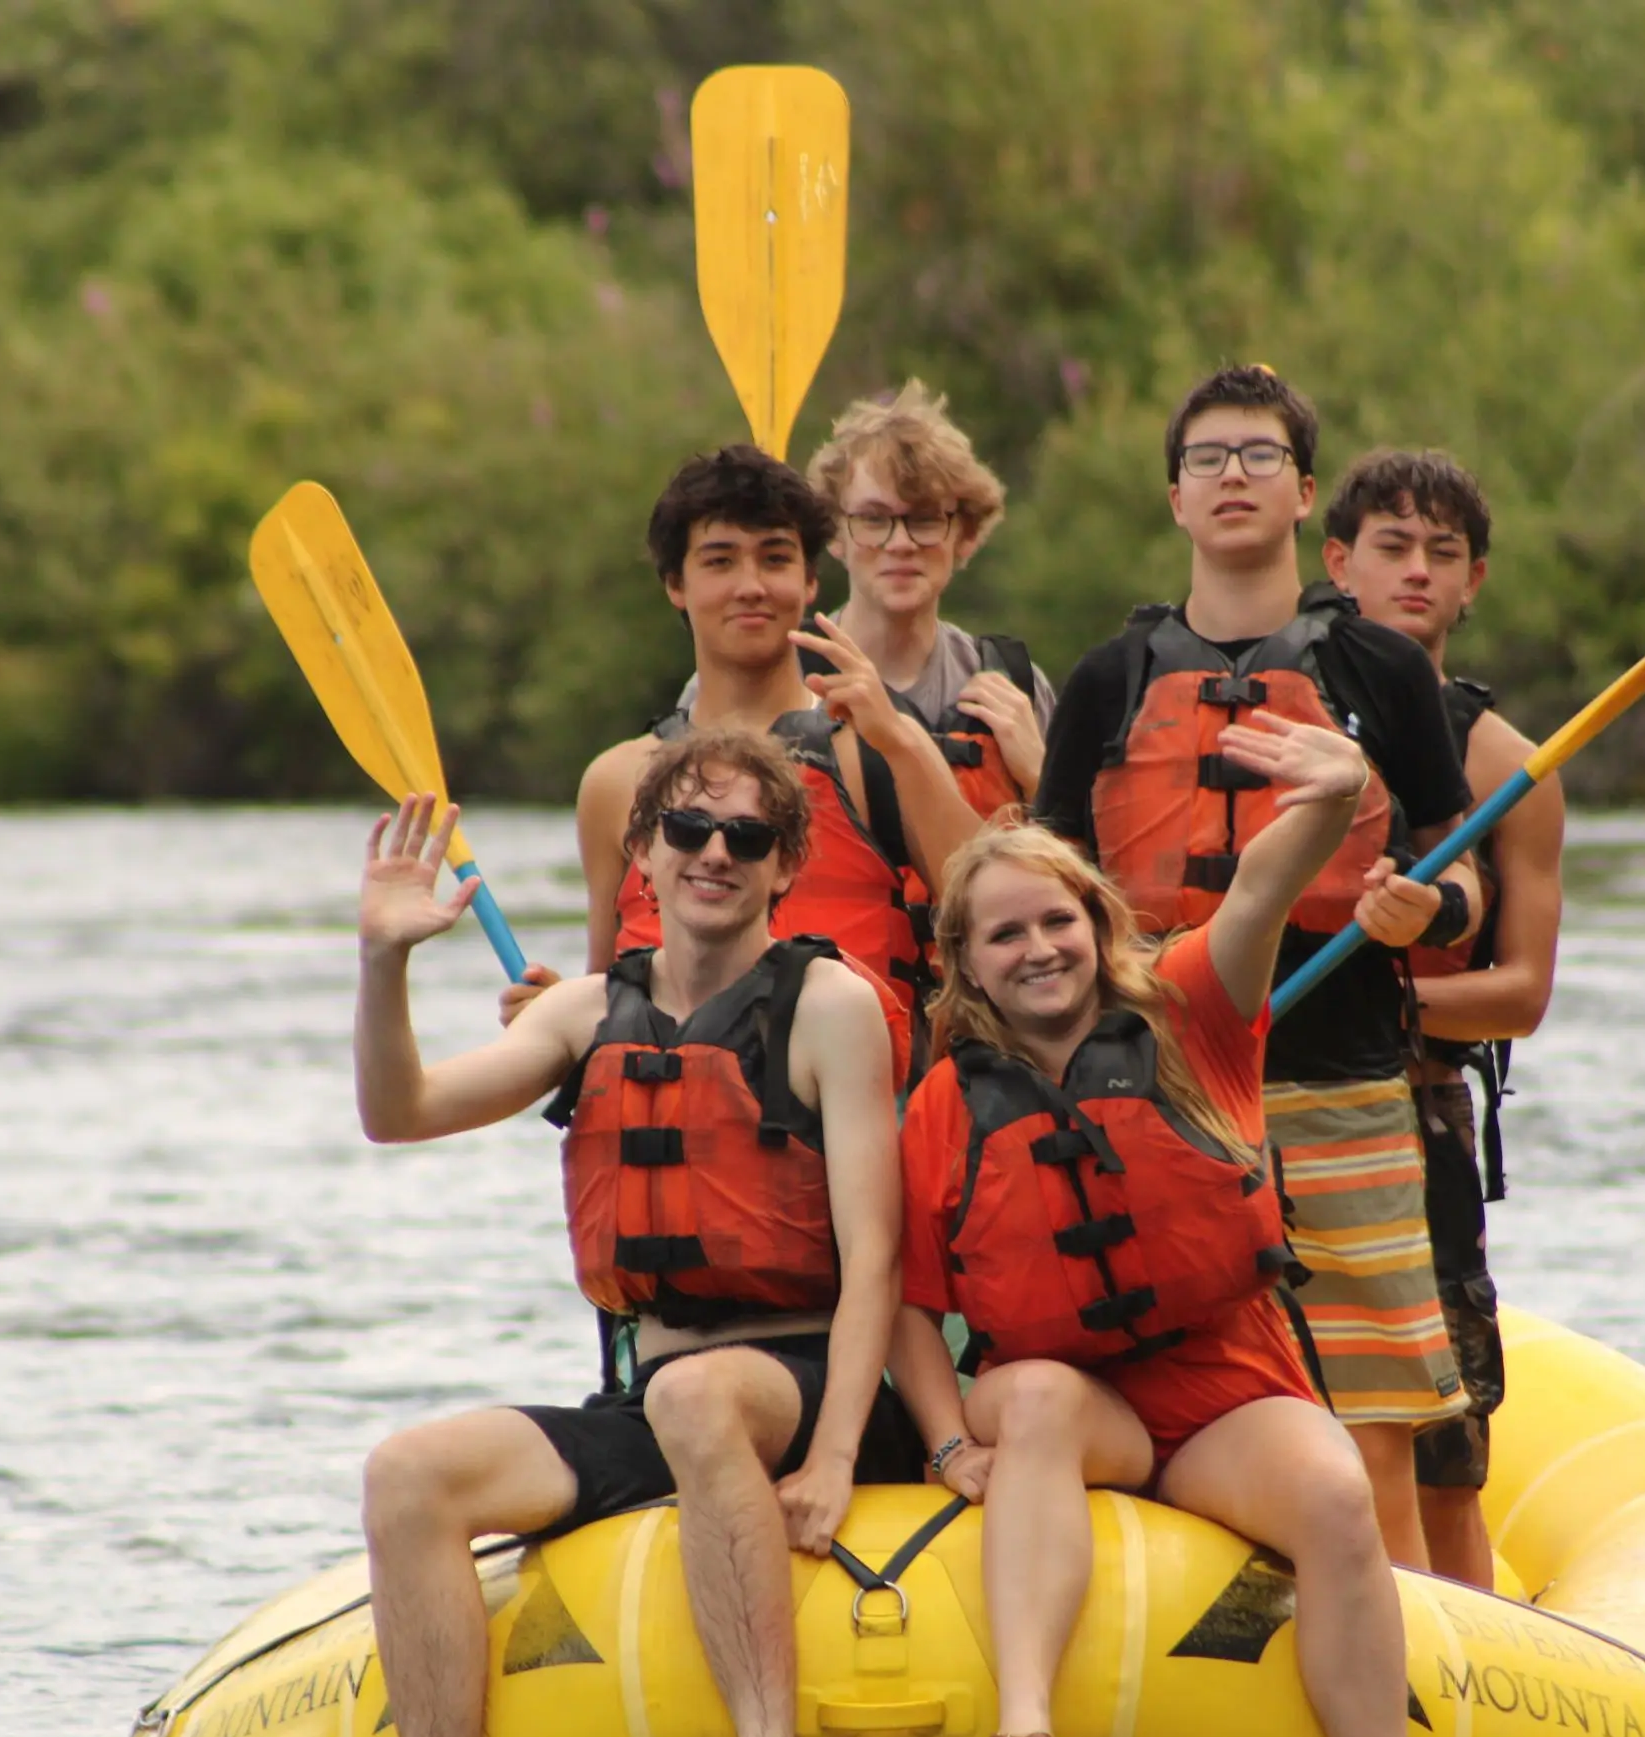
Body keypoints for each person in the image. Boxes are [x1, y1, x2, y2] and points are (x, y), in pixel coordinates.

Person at [353, 731, 930, 1737]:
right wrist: (383, 961)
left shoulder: (831, 1006)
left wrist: (833, 1455)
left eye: (748, 837)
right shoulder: (583, 1013)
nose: (716, 852)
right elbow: (399, 1112)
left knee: (696, 1396)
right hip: (654, 1390)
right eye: (689, 829)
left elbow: (879, 1255)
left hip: (811, 1376)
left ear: (785, 867)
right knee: (409, 1473)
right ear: (644, 854)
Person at [884, 711, 1440, 1737]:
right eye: (1004, 934)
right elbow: (908, 1308)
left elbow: (1264, 886)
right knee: (1031, 1395)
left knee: (1336, 1495)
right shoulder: (940, 1105)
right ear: (964, 962)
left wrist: (1337, 788)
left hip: (1223, 1386)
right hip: (1074, 1399)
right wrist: (945, 1441)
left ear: (1098, 923)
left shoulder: (1196, 1009)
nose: (1039, 948)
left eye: (1057, 920)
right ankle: (1024, 1728)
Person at [1031, 365, 1487, 1567]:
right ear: (1175, 499)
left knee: (1373, 1432)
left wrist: (1425, 906)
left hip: (1341, 1093)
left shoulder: (1384, 670)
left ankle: (1403, 1645)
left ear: (1304, 495)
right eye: (1208, 459)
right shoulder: (1108, 681)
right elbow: (1048, 894)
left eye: (1260, 456)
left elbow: (1468, 887)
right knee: (1187, 1402)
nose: (1233, 476)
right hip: (1163, 1098)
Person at [499, 446, 983, 1058]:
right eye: (720, 561)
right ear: (676, 585)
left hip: (851, 1100)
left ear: (810, 582)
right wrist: (556, 1015)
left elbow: (989, 909)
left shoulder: (879, 749)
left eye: (776, 559)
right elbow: (606, 992)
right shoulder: (616, 782)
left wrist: (903, 741)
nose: (751, 586)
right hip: (682, 1100)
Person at [1322, 449, 1566, 1595]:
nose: (1418, 570)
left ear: (1475, 580)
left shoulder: (1509, 767)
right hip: (1279, 1113)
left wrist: (1378, 999)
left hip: (1419, 1119)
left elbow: (1520, 991)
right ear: (1339, 563)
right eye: (1393, 547)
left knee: (1443, 1456)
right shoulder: (1281, 715)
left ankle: (1465, 1655)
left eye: (1443, 552)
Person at [684, 381, 1059, 815]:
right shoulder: (755, 673)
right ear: (834, 535)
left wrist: (1041, 777)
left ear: (966, 535)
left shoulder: (1015, 687)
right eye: (873, 519)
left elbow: (1076, 854)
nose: (900, 544)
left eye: (925, 519)